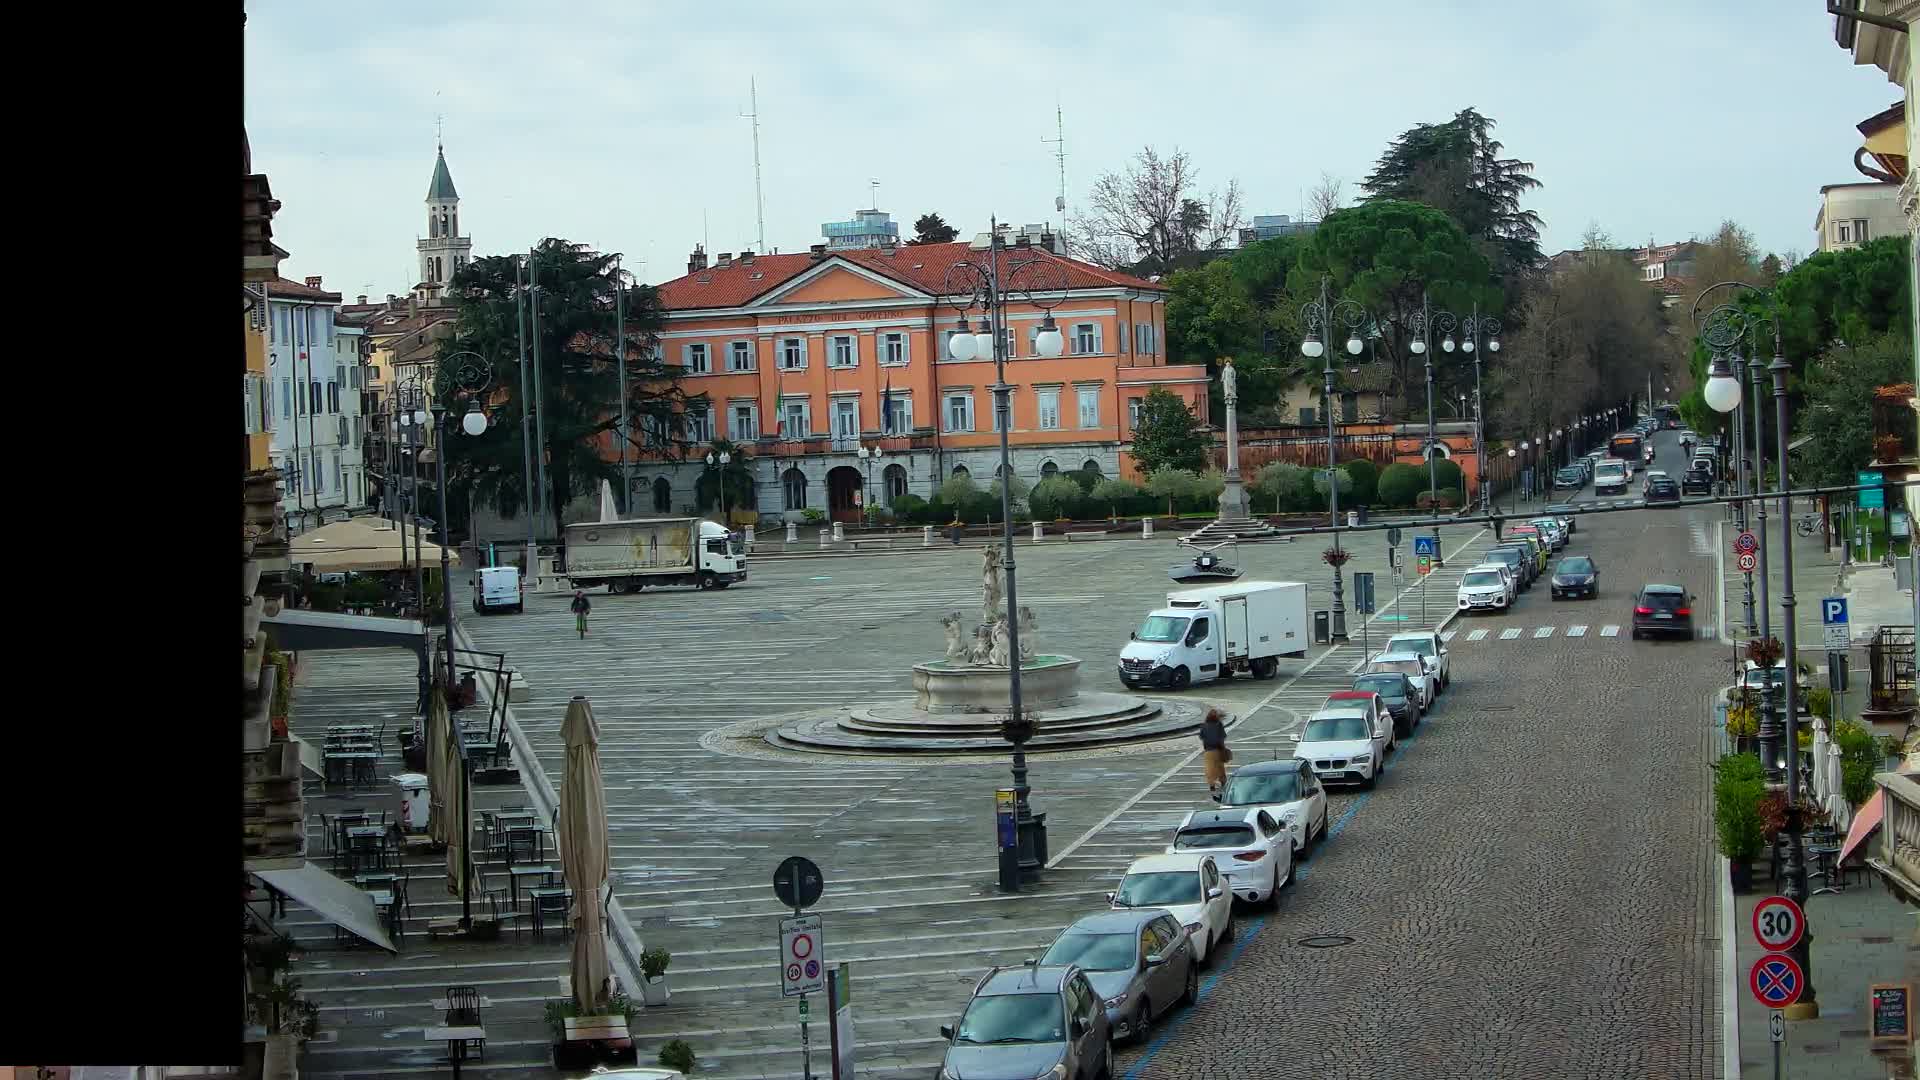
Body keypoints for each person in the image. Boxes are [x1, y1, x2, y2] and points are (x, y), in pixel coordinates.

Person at [1199, 708, 1231, 801]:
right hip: (1218, 750)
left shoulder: (1204, 726)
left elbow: (1201, 737)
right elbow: (1222, 737)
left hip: (1208, 751)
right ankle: (1223, 785)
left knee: (1210, 770)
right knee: (1220, 768)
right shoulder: (1219, 725)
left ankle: (1212, 786)